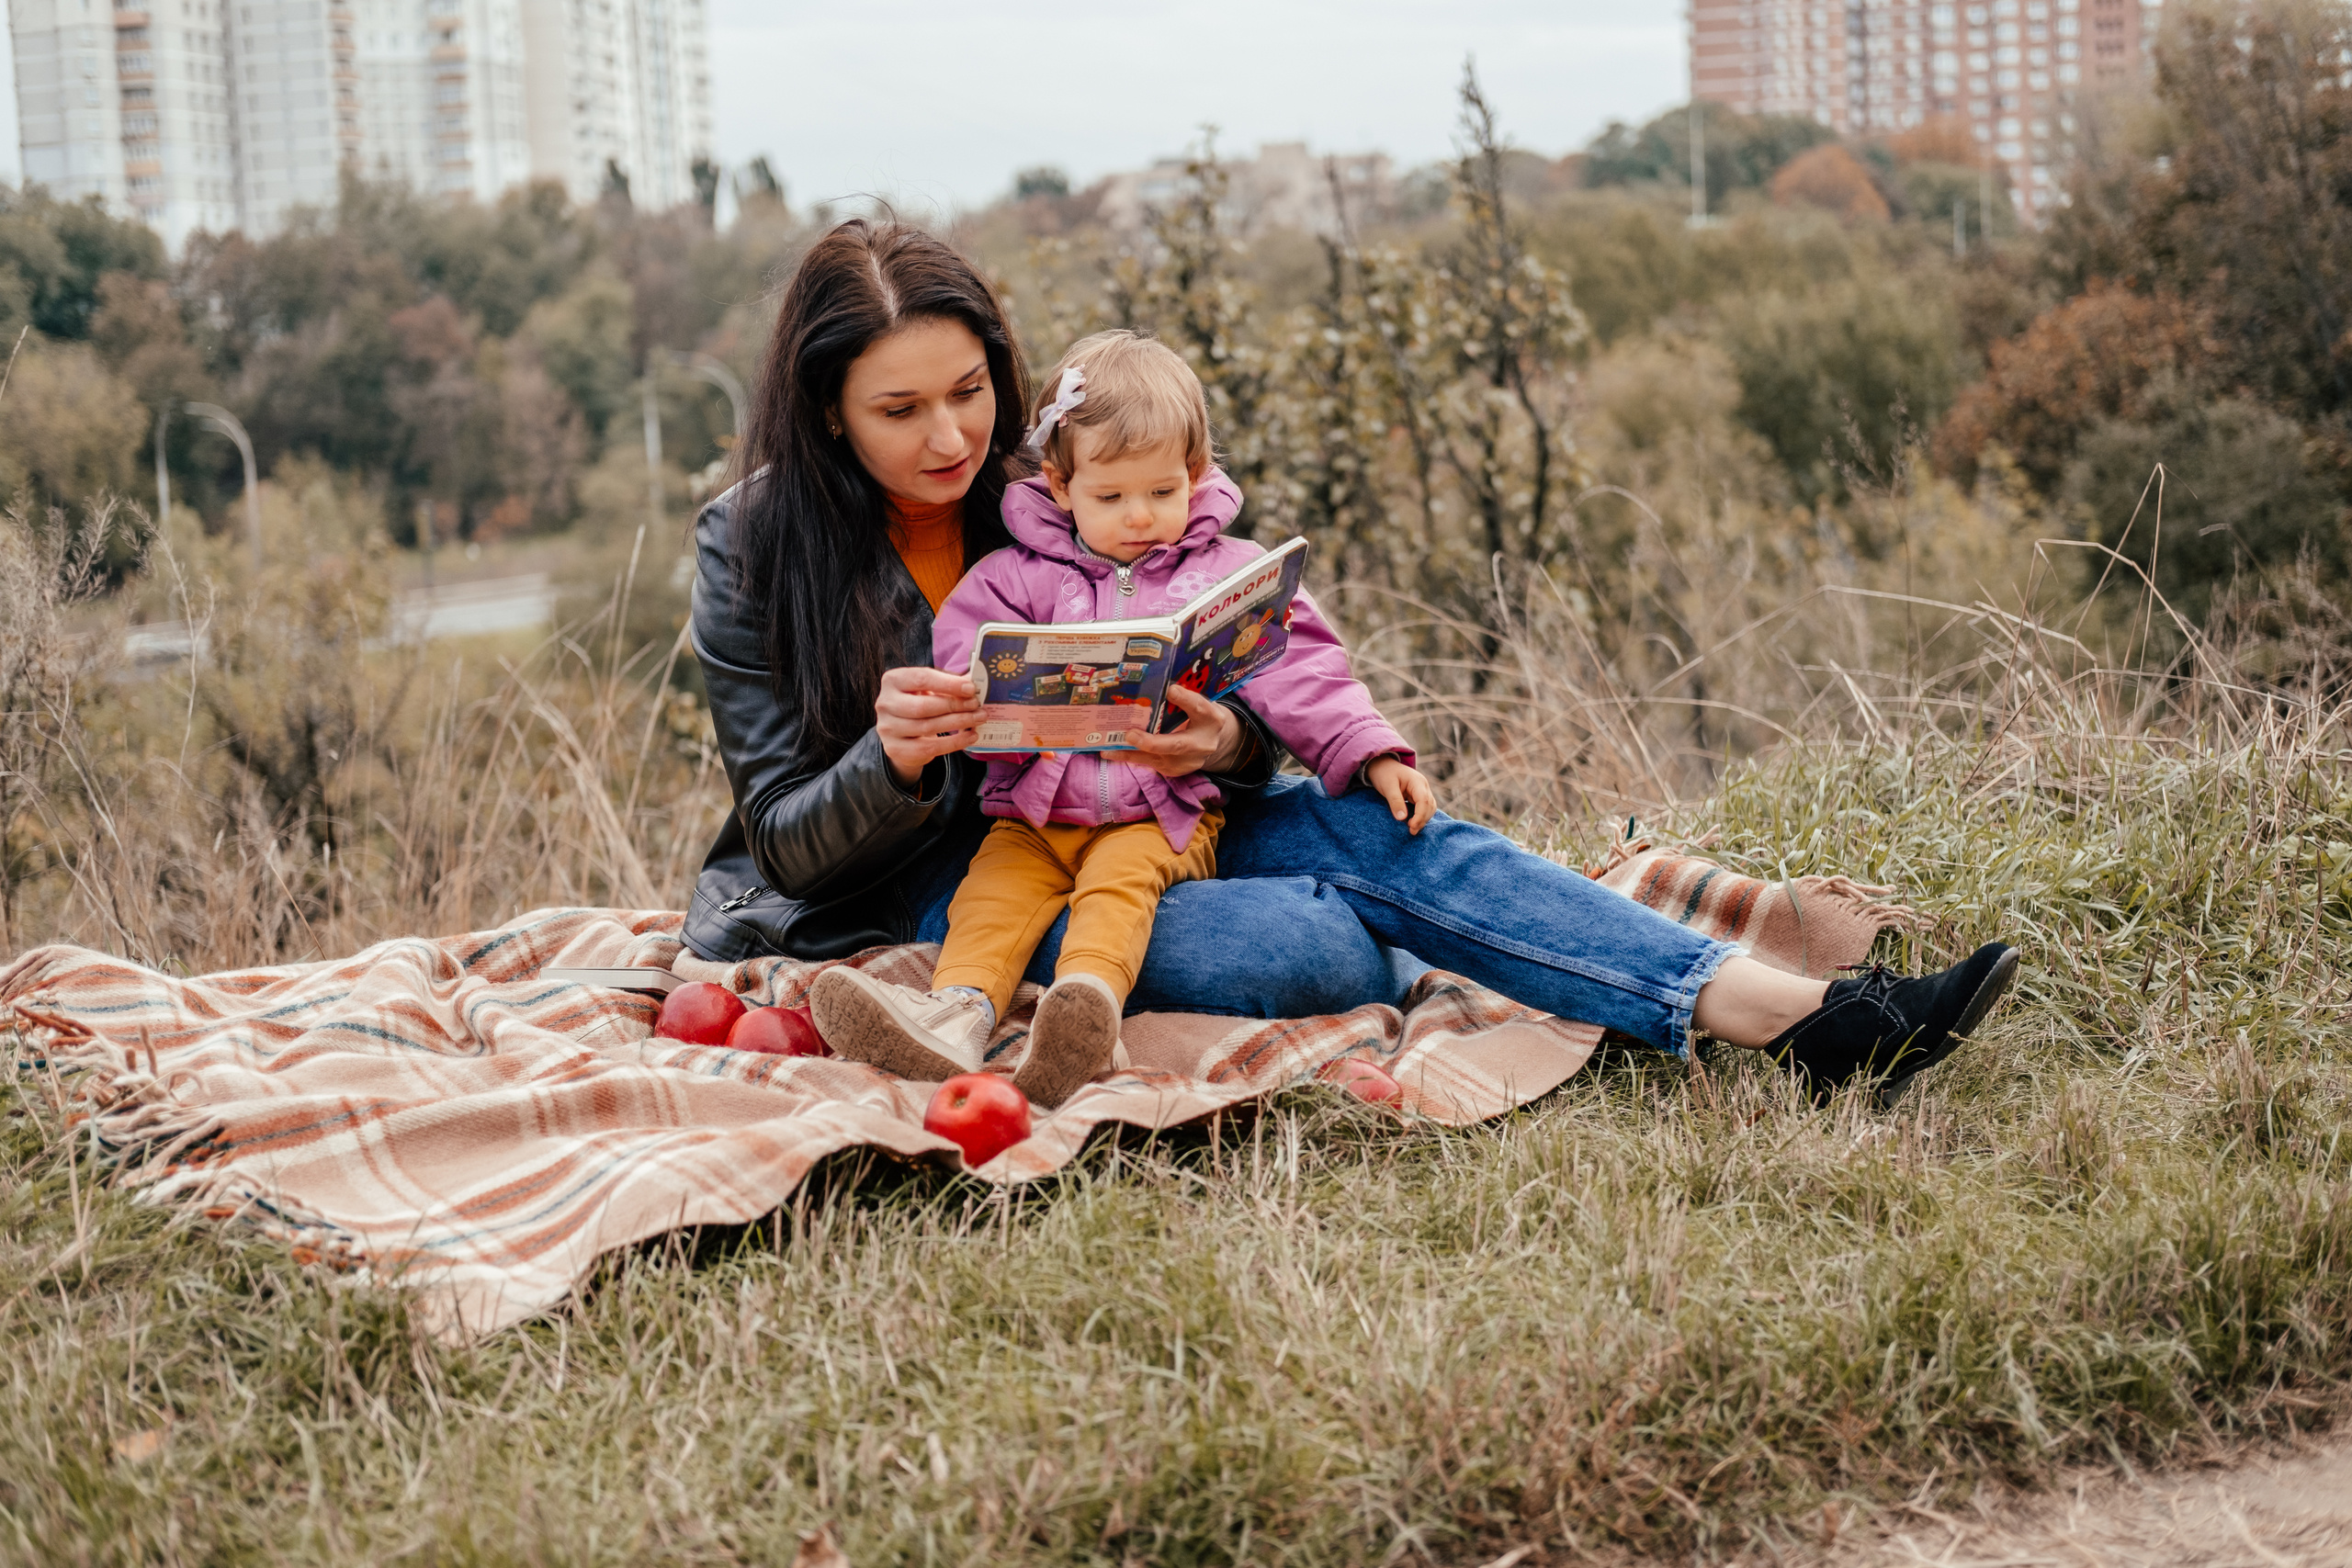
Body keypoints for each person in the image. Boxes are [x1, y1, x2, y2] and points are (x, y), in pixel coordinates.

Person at [685, 218, 2019, 1109]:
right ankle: (1441, 951)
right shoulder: (754, 544)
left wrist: (1223, 739)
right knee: (1321, 944)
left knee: (1398, 833)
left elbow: (1252, 684)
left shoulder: (1057, 487)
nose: (948, 437)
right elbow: (787, 844)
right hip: (936, 879)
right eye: (900, 410)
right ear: (825, 411)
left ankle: (1814, 1019)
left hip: (1150, 819)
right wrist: (894, 755)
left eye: (970, 391)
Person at [810, 331, 1435, 1106]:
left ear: (1196, 475)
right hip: (1033, 810)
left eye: (1163, 492)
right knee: (990, 894)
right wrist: (964, 693)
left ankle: (1086, 1012)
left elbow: (1306, 670)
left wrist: (1371, 751)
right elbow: (967, 648)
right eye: (1111, 497)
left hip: (1156, 810)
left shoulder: (1229, 571)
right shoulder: (1014, 577)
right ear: (1062, 485)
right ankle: (956, 1012)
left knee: (1117, 892)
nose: (1141, 518)